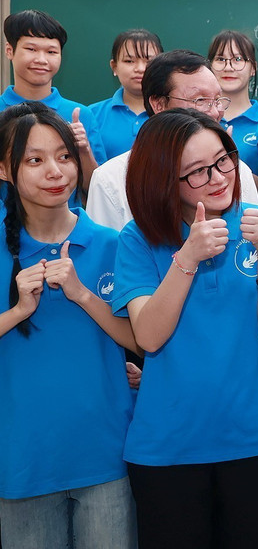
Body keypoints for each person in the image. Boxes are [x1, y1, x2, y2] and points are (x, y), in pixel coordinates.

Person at [112, 108, 258, 549]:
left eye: (223, 160)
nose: (218, 178)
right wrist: (188, 258)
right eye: (197, 172)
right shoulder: (138, 239)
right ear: (163, 180)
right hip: (168, 447)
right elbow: (148, 336)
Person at [0, 102, 138, 548]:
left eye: (64, 156)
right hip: (22, 458)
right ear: (4, 169)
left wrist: (82, 294)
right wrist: (18, 311)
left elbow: (142, 340)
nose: (55, 171)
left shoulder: (112, 243)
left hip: (106, 454)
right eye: (34, 160)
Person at [86, 50, 258, 231]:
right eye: (200, 100)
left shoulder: (233, 171)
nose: (215, 112)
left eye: (217, 99)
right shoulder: (111, 181)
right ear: (159, 104)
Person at [1, 10, 105, 188]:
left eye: (51, 51)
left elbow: (97, 188)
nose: (41, 60)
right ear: (9, 50)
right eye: (31, 49)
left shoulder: (81, 115)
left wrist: (84, 150)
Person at [89, 28, 163, 160]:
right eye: (129, 61)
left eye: (149, 61)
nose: (140, 69)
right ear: (114, 67)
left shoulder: (174, 112)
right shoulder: (92, 115)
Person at [207, 30, 258, 179]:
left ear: (253, 68)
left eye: (238, 59)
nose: (228, 67)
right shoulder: (199, 119)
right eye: (220, 59)